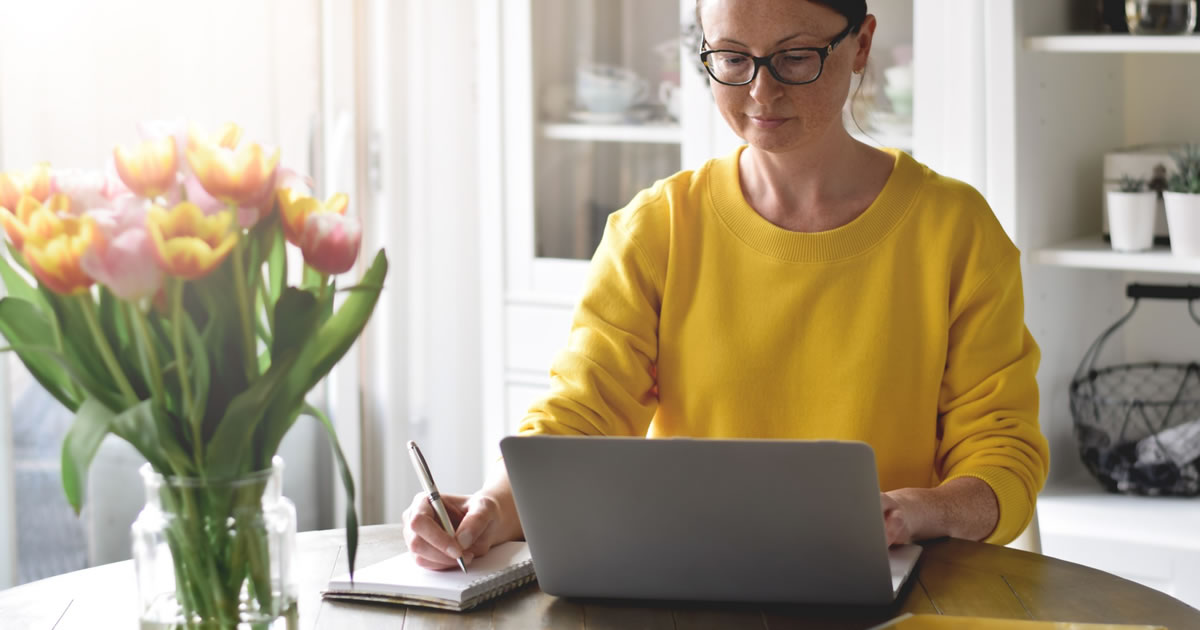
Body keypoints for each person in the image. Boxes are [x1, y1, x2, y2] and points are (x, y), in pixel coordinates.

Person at [403, 0, 1050, 570]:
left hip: (903, 596)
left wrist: (921, 511)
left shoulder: (954, 230)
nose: (761, 94)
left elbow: (1004, 453)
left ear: (861, 45)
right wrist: (490, 507)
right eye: (732, 59)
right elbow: (579, 419)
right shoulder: (657, 229)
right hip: (696, 591)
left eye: (796, 57)